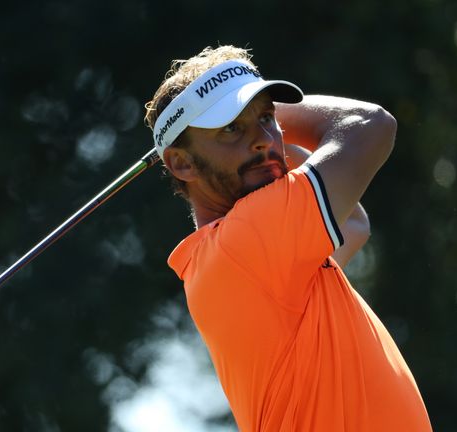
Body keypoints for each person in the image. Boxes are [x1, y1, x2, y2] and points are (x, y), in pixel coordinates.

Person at [145, 46, 431, 431]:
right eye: (231, 128)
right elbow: (370, 125)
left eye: (266, 117)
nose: (263, 139)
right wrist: (271, 119)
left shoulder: (236, 255)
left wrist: (261, 128)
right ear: (181, 163)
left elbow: (354, 225)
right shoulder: (247, 240)